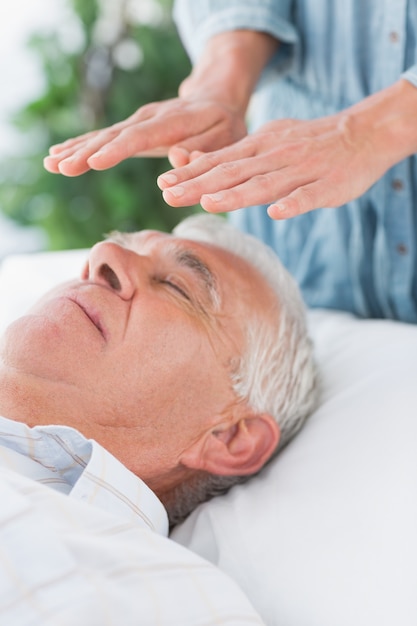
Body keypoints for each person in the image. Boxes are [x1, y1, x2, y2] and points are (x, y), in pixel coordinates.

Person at [0, 215, 317, 622]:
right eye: (115, 241)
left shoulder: (158, 598)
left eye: (176, 286)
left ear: (229, 437)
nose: (103, 255)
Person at [43, 1, 417, 324]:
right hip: (307, 241)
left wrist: (376, 129)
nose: (104, 254)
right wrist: (222, 77)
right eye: (176, 284)